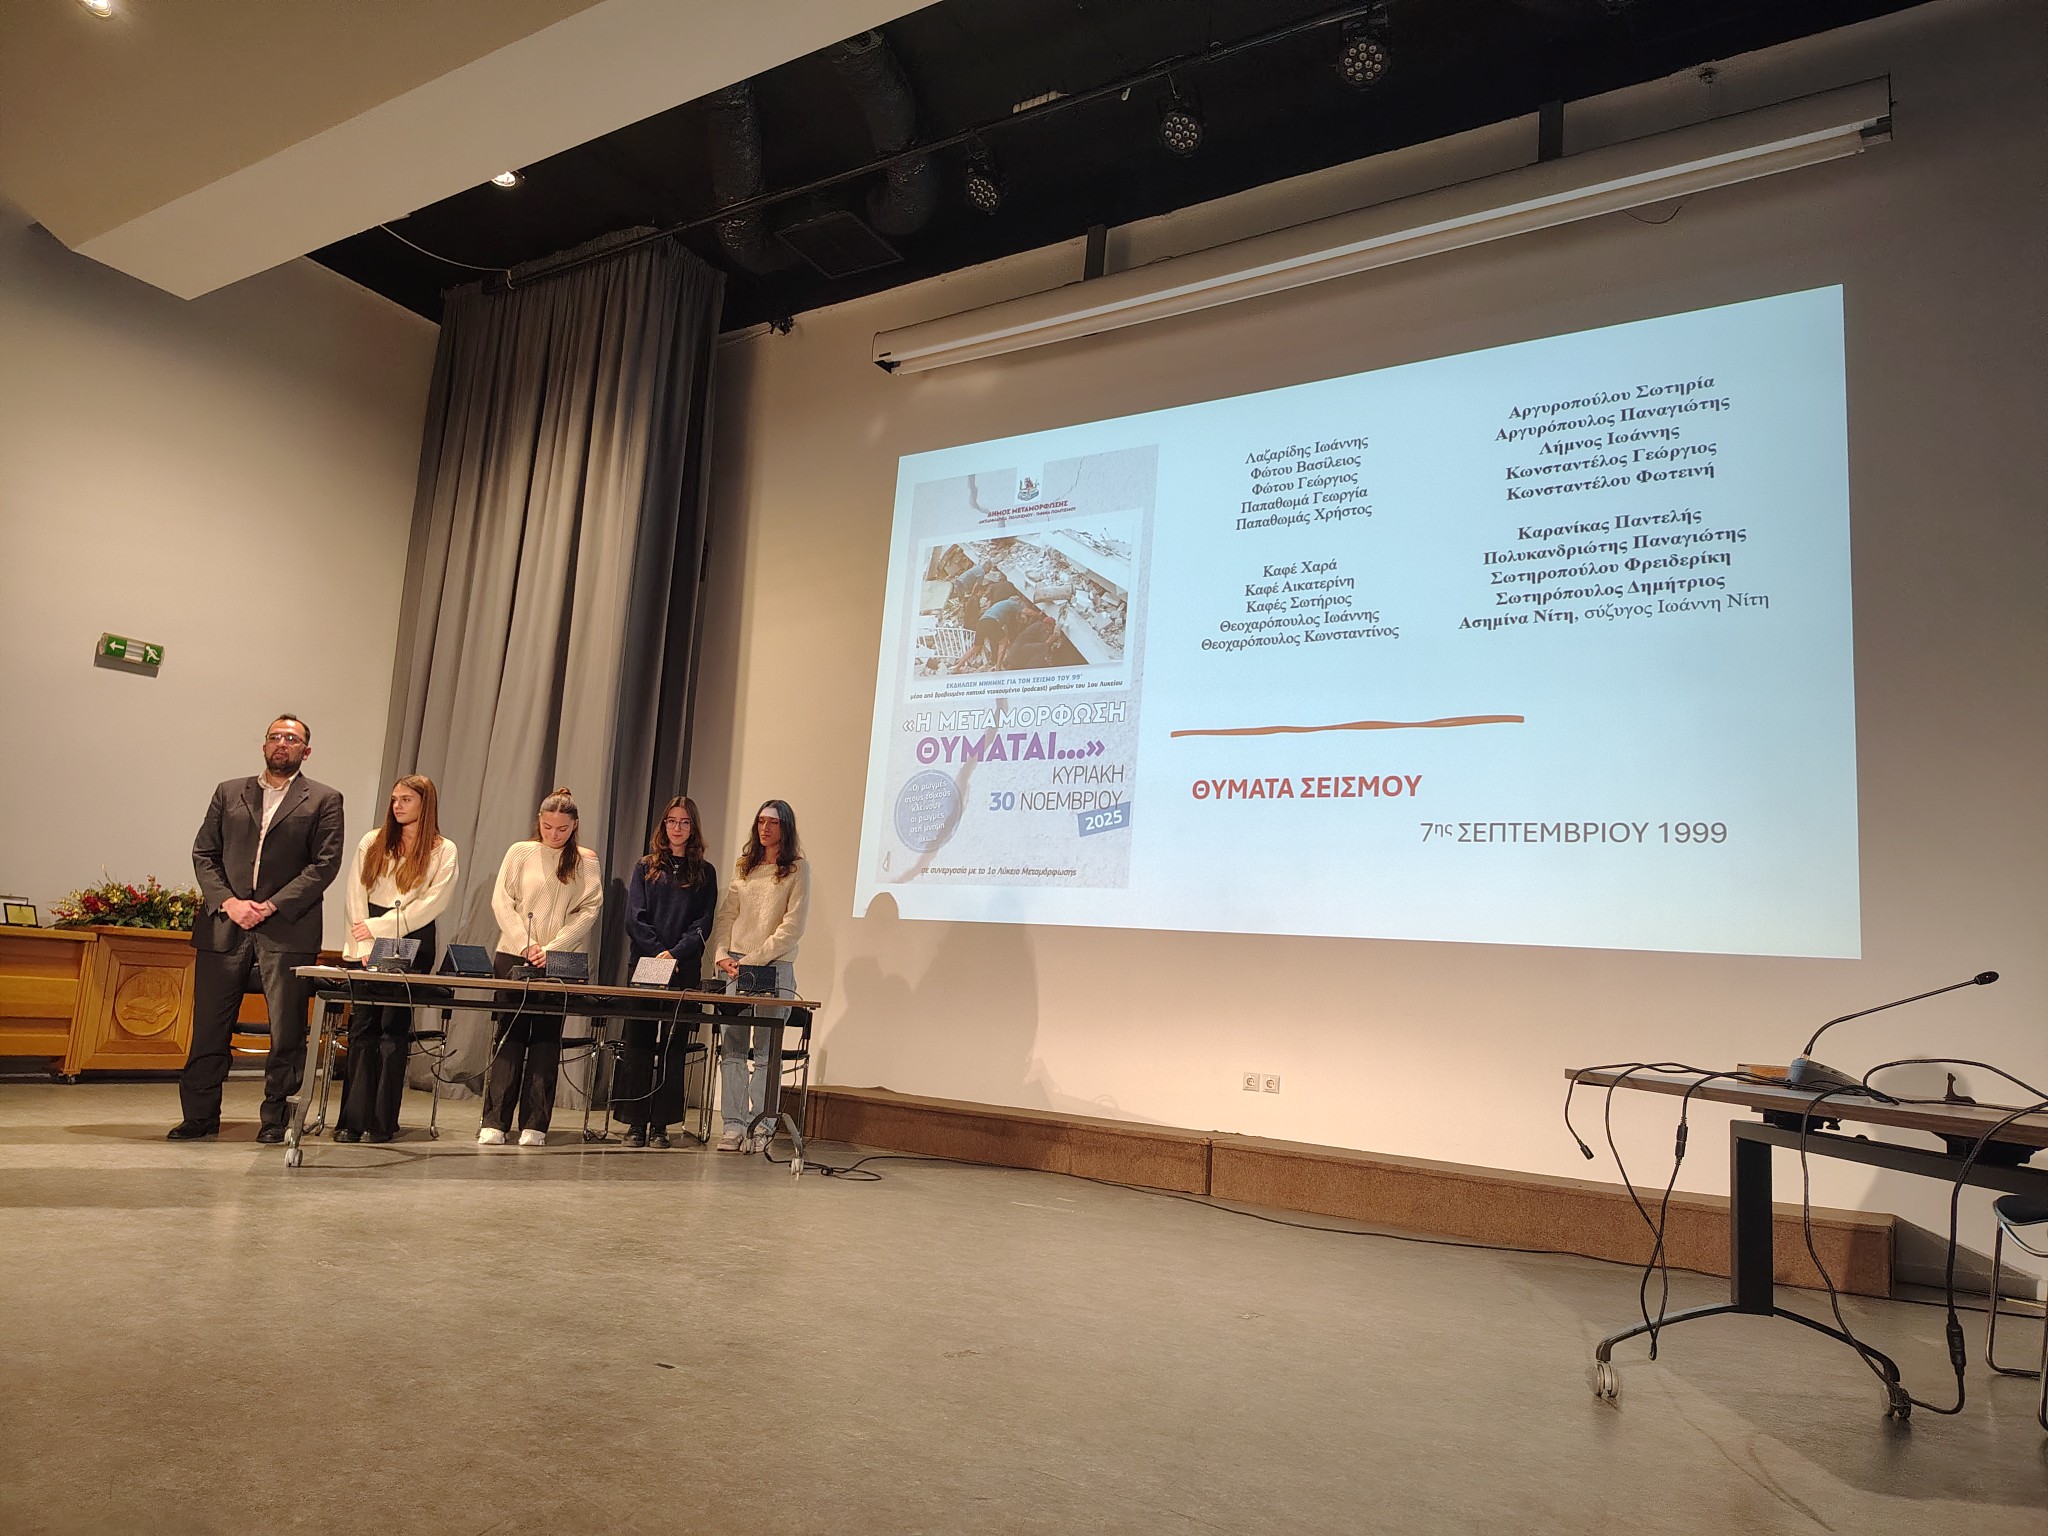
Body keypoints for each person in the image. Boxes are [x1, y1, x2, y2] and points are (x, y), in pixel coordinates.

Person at [170, 715, 345, 1143]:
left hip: (287, 930)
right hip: (224, 926)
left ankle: (276, 1119)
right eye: (275, 737)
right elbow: (204, 853)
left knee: (286, 1032)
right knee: (209, 1027)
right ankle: (200, 1117)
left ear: (306, 751)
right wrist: (230, 903)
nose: (282, 743)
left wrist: (270, 905)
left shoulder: (324, 799)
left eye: (292, 738)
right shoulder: (229, 792)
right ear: (264, 746)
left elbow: (324, 865)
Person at [335, 776, 458, 1143]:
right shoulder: (372, 841)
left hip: (412, 935)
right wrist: (363, 942)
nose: (398, 806)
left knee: (394, 1029)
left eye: (406, 799)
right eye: (394, 799)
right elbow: (355, 894)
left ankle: (381, 1122)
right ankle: (351, 1120)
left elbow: (433, 903)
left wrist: (382, 926)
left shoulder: (443, 849)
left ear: (425, 803)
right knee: (363, 1027)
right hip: (367, 934)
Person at [481, 788, 602, 1146]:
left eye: (562, 828)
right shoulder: (521, 851)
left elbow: (589, 910)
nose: (554, 834)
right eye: (548, 827)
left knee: (546, 1039)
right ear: (539, 821)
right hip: (514, 953)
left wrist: (552, 949)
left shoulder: (585, 861)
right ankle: (495, 1121)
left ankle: (535, 1123)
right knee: (509, 1036)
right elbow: (502, 901)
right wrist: (525, 943)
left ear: (574, 825)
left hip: (558, 960)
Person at [613, 796, 718, 1148]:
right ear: (663, 825)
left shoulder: (705, 872)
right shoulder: (645, 867)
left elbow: (703, 923)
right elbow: (635, 918)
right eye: (672, 821)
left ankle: (661, 1125)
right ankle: (635, 1123)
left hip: (682, 968)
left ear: (693, 828)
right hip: (645, 964)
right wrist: (657, 952)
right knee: (638, 1043)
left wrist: (674, 954)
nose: (677, 828)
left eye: (685, 822)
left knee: (673, 1046)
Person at [706, 799, 810, 1153]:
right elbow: (727, 915)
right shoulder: (745, 865)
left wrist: (753, 960)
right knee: (733, 1049)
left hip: (773, 967)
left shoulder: (797, 868)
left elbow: (791, 927)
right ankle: (733, 1125)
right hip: (736, 966)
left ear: (786, 828)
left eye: (773, 823)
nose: (765, 828)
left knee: (766, 1051)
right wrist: (722, 954)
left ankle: (761, 1124)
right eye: (761, 821)